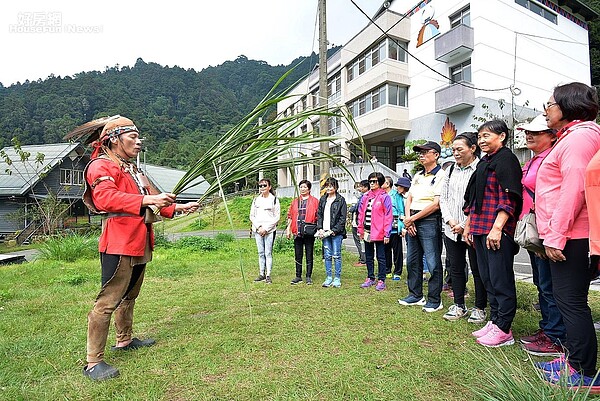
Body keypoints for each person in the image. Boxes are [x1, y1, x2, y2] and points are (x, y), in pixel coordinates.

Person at [82, 116, 199, 381]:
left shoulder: (133, 169)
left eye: (138, 136)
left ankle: (124, 339)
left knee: (130, 295)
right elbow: (105, 197)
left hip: (140, 239)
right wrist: (149, 198)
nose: (139, 141)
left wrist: (178, 207)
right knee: (108, 300)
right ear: (114, 139)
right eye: (132, 137)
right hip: (119, 240)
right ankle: (93, 362)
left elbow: (155, 200)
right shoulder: (101, 165)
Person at [535, 82, 600, 389]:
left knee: (571, 302)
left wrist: (555, 237)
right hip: (571, 234)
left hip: (573, 236)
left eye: (549, 104)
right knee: (568, 301)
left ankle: (582, 372)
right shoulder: (573, 137)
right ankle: (575, 359)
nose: (545, 110)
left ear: (567, 105)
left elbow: (573, 188)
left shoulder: (579, 138)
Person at [464, 120, 522, 347]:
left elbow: (508, 198)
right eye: (479, 137)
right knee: (488, 278)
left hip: (496, 230)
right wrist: (469, 226)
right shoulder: (484, 163)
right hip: (479, 228)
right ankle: (495, 320)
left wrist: (497, 228)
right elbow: (473, 198)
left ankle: (504, 329)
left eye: (486, 135)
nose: (481, 141)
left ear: (502, 136)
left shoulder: (506, 160)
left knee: (501, 279)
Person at [514, 115, 566, 357]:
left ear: (552, 134)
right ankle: (547, 328)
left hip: (547, 231)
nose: (529, 135)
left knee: (550, 286)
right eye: (527, 132)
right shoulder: (534, 160)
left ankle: (556, 336)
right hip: (533, 230)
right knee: (541, 284)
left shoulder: (553, 157)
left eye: (537, 132)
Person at [439, 132, 487, 323]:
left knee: (478, 269)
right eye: (453, 150)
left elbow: (479, 201)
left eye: (460, 149)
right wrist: (451, 221)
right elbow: (443, 199)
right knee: (456, 268)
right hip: (451, 230)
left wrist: (464, 224)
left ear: (472, 149)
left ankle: (480, 307)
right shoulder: (450, 171)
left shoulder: (481, 170)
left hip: (472, 229)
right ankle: (459, 305)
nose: (456, 153)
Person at [398, 141, 445, 312]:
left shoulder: (441, 175)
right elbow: (409, 198)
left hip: (429, 219)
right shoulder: (417, 175)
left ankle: (434, 299)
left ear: (436, 155)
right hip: (413, 218)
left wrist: (412, 219)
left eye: (426, 152)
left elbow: (436, 204)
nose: (421, 155)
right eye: (420, 152)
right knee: (412, 260)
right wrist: (409, 219)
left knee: (432, 261)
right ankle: (415, 295)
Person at [357, 172, 393, 291]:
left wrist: (387, 233)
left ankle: (381, 279)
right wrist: (360, 230)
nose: (372, 183)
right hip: (367, 230)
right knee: (368, 255)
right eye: (370, 181)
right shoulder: (365, 196)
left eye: (375, 181)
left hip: (380, 232)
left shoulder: (385, 197)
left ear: (380, 182)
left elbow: (388, 216)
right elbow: (361, 213)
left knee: (381, 257)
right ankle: (370, 277)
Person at [285, 180, 319, 285]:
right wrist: (288, 229)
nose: (302, 189)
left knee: (309, 254)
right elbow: (290, 216)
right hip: (297, 231)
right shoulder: (295, 201)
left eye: (305, 187)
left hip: (309, 231)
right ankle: (298, 275)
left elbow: (318, 216)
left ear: (309, 189)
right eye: (301, 187)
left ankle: (308, 276)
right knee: (298, 254)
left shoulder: (315, 201)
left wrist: (318, 229)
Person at [316, 177, 347, 288]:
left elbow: (342, 218)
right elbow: (319, 215)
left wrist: (334, 230)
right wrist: (319, 228)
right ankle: (329, 277)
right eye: (327, 186)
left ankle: (337, 278)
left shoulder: (340, 200)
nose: (328, 188)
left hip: (335, 233)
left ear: (336, 187)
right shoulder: (323, 199)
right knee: (327, 255)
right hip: (324, 232)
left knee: (336, 255)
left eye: (331, 186)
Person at [250, 179, 280, 284]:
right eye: (260, 186)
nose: (262, 188)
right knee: (260, 252)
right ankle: (261, 273)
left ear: (269, 187)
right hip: (258, 230)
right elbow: (252, 216)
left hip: (269, 230)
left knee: (268, 252)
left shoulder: (274, 199)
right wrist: (259, 227)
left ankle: (268, 274)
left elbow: (277, 217)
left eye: (264, 185)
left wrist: (266, 229)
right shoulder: (256, 200)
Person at [383, 176, 405, 280]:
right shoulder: (381, 195)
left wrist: (402, 226)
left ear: (387, 184)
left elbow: (401, 210)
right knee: (385, 250)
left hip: (395, 225)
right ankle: (387, 269)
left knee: (397, 251)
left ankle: (397, 271)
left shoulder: (396, 195)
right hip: (384, 226)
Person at [392, 177, 411, 280]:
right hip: (402, 224)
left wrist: (406, 226)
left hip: (411, 224)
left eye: (399, 186)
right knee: (409, 249)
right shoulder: (398, 196)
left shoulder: (411, 196)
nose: (397, 188)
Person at [349, 180, 369, 267]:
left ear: (365, 187)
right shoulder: (361, 196)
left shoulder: (364, 196)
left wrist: (352, 208)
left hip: (360, 222)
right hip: (357, 221)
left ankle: (363, 259)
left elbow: (356, 208)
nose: (359, 188)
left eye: (361, 186)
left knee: (360, 241)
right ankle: (363, 258)